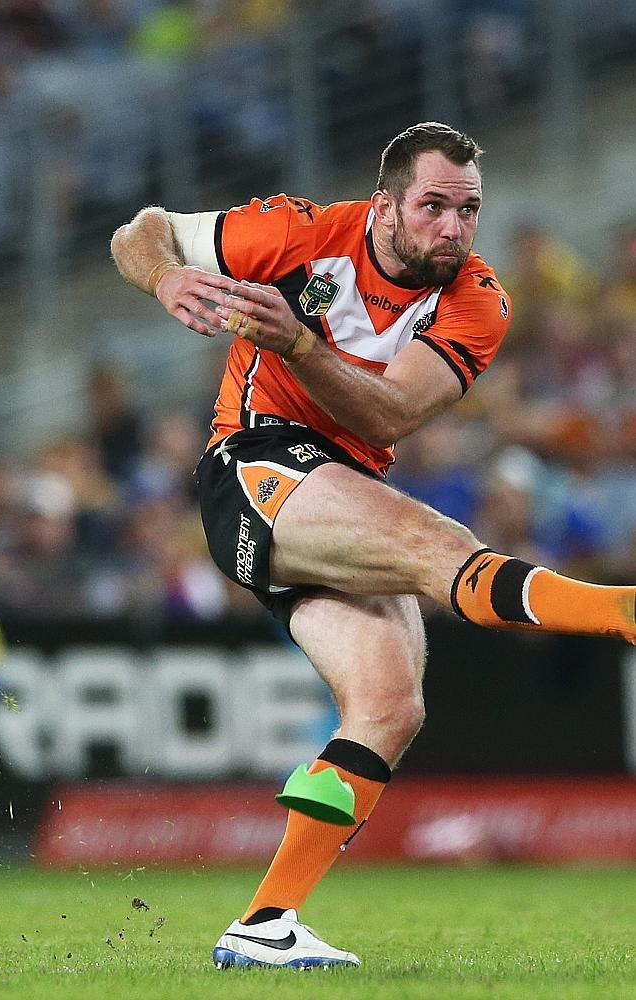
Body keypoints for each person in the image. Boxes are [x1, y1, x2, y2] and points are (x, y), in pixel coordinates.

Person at [110, 122, 636, 971]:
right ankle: (620, 612)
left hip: (342, 492)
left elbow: (389, 415)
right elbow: (139, 229)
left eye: (468, 210)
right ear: (385, 203)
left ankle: (265, 923)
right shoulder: (298, 233)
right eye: (432, 206)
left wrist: (299, 342)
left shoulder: (480, 299)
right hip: (253, 464)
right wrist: (167, 275)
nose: (453, 229)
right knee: (440, 544)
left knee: (391, 706)